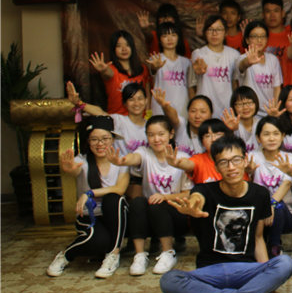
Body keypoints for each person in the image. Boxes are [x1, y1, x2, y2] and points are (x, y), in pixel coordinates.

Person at [160, 134, 292, 293]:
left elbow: (258, 238)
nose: (231, 167)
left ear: (245, 160)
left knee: (285, 263)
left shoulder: (260, 194)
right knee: (169, 280)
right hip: (210, 271)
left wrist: (266, 273)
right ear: (216, 167)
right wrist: (193, 206)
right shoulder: (205, 190)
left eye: (236, 160)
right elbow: (197, 198)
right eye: (224, 162)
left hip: (246, 270)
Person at [107, 116, 194, 275]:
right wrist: (120, 161)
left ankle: (168, 252)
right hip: (151, 215)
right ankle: (140, 255)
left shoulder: (183, 158)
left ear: (171, 134)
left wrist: (165, 197)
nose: (156, 139)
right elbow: (133, 158)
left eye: (161, 134)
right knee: (138, 202)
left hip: (177, 215)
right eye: (151, 135)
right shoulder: (144, 153)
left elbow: (188, 194)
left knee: (157, 205)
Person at [47, 116, 130, 279]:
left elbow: (120, 189)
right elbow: (76, 169)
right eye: (94, 139)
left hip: (114, 215)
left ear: (112, 139)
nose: (100, 144)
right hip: (89, 216)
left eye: (105, 138)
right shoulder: (82, 160)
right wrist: (70, 169)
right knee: (98, 241)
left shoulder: (121, 161)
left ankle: (113, 254)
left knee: (114, 198)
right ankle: (65, 256)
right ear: (88, 141)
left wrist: (89, 193)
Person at [249, 116, 292, 256]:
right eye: (266, 134)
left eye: (276, 133)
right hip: (259, 214)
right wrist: (248, 171)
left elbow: (286, 184)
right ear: (258, 138)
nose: (271, 138)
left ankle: (274, 247)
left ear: (282, 136)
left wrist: (271, 205)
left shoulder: (289, 158)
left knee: (278, 206)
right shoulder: (252, 157)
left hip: (284, 215)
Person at [189, 15, 240, 118]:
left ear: (225, 32)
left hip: (227, 109)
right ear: (205, 32)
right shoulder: (198, 54)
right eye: (210, 29)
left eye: (219, 29)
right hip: (204, 110)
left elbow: (235, 84)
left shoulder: (234, 54)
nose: (214, 33)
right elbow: (191, 85)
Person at [90, 29, 150, 115]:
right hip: (117, 118)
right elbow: (108, 73)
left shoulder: (143, 69)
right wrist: (103, 70)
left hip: (140, 118)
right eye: (119, 46)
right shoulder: (110, 68)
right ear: (113, 49)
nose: (124, 49)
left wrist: (148, 114)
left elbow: (147, 93)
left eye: (127, 45)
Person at [236, 20, 282, 117]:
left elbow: (276, 88)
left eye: (262, 36)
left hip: (269, 113)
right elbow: (242, 66)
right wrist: (248, 62)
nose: (259, 40)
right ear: (247, 40)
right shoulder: (242, 58)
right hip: (250, 114)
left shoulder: (273, 59)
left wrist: (275, 109)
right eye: (255, 36)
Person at [165, 118, 230, 185]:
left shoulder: (234, 156)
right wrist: (177, 164)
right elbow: (189, 164)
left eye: (218, 134)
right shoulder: (199, 160)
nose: (213, 139)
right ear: (202, 142)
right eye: (207, 136)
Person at [148, 21, 191, 119]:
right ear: (159, 39)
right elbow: (153, 70)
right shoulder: (155, 59)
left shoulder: (186, 62)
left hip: (182, 108)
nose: (170, 39)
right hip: (160, 108)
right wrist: (155, 67)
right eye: (165, 36)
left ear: (178, 38)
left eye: (173, 35)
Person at [222, 86, 262, 154]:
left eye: (249, 103)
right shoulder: (231, 123)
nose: (245, 107)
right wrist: (231, 131)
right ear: (234, 107)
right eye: (240, 104)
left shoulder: (261, 124)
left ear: (256, 104)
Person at [261, 0, 292, 79]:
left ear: (283, 13)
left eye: (276, 11)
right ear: (263, 15)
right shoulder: (258, 37)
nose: (272, 15)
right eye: (268, 11)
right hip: (265, 83)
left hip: (290, 83)